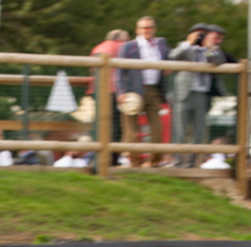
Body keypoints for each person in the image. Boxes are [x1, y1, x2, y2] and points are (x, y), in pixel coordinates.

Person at [117, 16, 170, 167]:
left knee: (157, 129)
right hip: (132, 92)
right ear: (138, 30)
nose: (147, 30)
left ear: (154, 29)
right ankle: (135, 162)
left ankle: (154, 162)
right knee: (131, 131)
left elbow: (170, 58)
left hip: (154, 90)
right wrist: (121, 91)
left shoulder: (161, 44)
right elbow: (119, 71)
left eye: (150, 27)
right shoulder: (128, 46)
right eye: (144, 28)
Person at [169, 23, 212, 168]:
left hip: (201, 94)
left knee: (199, 131)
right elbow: (172, 56)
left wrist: (209, 46)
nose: (201, 37)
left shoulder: (209, 50)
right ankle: (178, 162)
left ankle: (193, 163)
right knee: (180, 129)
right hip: (184, 93)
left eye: (204, 34)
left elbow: (218, 60)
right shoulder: (184, 47)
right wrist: (189, 43)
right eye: (198, 34)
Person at [88, 28, 129, 167]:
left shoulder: (98, 48)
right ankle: (112, 159)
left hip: (97, 90)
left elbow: (91, 68)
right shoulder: (122, 47)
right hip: (115, 91)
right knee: (116, 126)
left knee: (99, 124)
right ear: (120, 38)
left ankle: (97, 158)